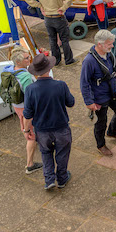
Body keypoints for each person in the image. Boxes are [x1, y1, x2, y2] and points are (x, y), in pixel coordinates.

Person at [23, 53, 76, 189]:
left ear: (36, 73)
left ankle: (49, 180)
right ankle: (62, 179)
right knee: (62, 153)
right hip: (61, 128)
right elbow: (71, 103)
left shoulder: (30, 89)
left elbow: (27, 114)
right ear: (49, 69)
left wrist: (26, 130)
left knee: (46, 153)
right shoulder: (60, 85)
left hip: (42, 130)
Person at [80, 29, 116, 157]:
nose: (112, 46)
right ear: (99, 44)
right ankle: (101, 145)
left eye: (112, 43)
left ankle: (112, 132)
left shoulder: (109, 54)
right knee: (101, 121)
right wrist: (89, 102)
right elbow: (84, 83)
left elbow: (112, 72)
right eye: (109, 44)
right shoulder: (89, 61)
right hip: (99, 96)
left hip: (113, 91)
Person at [25, 0, 77, 66]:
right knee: (64, 40)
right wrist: (63, 7)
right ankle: (68, 60)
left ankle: (56, 61)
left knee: (52, 40)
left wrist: (40, 6)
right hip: (58, 16)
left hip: (48, 18)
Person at [3, 47, 43, 174]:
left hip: (17, 106)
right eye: (26, 58)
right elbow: (31, 95)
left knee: (27, 128)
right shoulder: (25, 76)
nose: (29, 59)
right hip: (26, 108)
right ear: (19, 62)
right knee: (31, 136)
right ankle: (30, 164)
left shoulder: (8, 71)